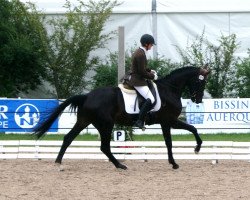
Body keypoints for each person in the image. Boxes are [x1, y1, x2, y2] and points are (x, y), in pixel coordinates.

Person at [125, 34, 158, 129]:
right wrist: (153, 76)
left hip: (137, 78)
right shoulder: (140, 54)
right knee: (151, 99)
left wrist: (150, 70)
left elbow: (141, 67)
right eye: (151, 44)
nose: (152, 46)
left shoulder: (139, 51)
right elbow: (141, 72)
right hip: (138, 81)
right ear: (146, 44)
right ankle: (139, 121)